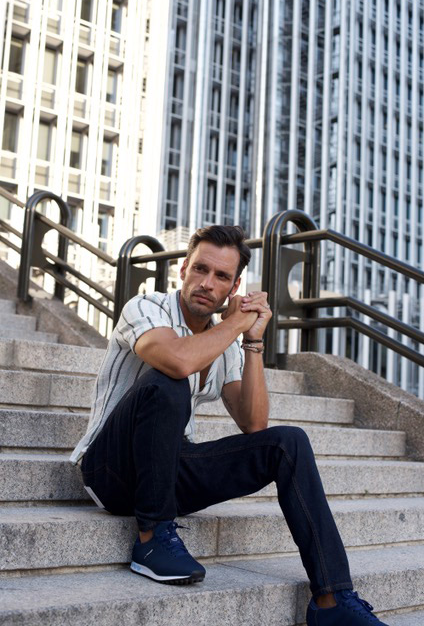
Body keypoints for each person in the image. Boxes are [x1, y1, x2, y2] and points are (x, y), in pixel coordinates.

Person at [70, 225, 388, 626]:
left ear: (234, 287)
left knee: (287, 443)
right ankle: (152, 539)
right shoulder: (146, 307)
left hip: (168, 469)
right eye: (200, 269)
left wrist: (252, 340)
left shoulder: (226, 341)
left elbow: (254, 423)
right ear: (183, 269)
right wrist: (235, 324)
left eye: (221, 276)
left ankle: (332, 599)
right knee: (169, 379)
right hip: (110, 470)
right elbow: (178, 361)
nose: (207, 283)